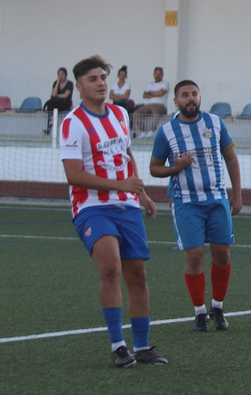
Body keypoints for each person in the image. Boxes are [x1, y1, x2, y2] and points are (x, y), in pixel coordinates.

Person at [59, 55, 167, 368]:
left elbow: (127, 154)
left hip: (127, 205)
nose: (101, 83)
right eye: (92, 79)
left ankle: (143, 347)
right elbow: (73, 175)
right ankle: (119, 346)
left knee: (138, 274)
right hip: (91, 206)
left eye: (103, 77)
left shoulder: (120, 114)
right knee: (111, 268)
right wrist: (119, 183)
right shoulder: (72, 124)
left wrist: (142, 193)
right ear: (79, 87)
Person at [150, 80, 243, 332]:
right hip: (186, 203)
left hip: (217, 199)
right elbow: (154, 168)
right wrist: (176, 168)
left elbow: (230, 157)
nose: (190, 98)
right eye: (184, 95)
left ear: (200, 98)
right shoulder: (167, 131)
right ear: (176, 101)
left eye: (194, 94)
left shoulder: (215, 122)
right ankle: (199, 312)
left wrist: (237, 194)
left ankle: (218, 308)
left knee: (223, 254)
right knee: (194, 257)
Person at [133, 67, 169, 138]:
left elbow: (161, 93)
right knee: (136, 113)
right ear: (153, 74)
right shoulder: (150, 84)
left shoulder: (165, 83)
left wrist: (150, 93)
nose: (157, 75)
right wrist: (156, 93)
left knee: (155, 111)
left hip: (160, 105)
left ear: (162, 75)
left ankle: (152, 131)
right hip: (148, 105)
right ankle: (143, 131)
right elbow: (144, 95)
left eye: (159, 74)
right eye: (156, 74)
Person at [43, 67, 74, 132]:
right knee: (50, 104)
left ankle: (53, 122)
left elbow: (65, 95)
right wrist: (57, 83)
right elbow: (53, 94)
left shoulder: (70, 84)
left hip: (65, 103)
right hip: (56, 103)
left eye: (62, 74)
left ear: (65, 75)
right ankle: (50, 124)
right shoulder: (55, 83)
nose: (60, 76)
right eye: (59, 74)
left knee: (54, 103)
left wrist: (56, 96)